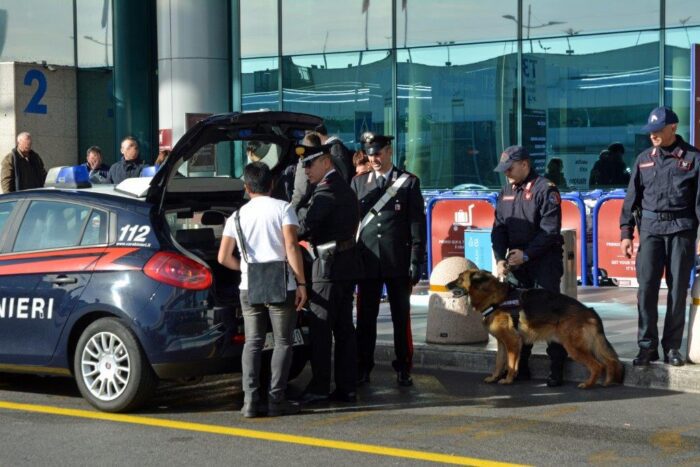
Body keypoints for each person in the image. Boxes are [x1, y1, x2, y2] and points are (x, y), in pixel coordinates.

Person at [217, 162, 307, 418]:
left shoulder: (236, 216)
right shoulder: (284, 208)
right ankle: (276, 399)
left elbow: (223, 257)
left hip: (249, 284)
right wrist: (301, 283)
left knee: (253, 343)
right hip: (282, 283)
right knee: (282, 342)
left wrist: (245, 267)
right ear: (272, 184)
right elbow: (291, 246)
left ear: (247, 188)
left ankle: (249, 402)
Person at [619, 106, 700, 367]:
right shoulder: (643, 158)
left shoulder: (693, 158)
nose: (652, 134)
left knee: (677, 292)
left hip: (681, 231)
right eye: (650, 131)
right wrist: (626, 233)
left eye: (658, 130)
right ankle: (647, 347)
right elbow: (632, 199)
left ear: (673, 128)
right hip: (651, 231)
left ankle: (672, 347)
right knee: (646, 292)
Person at [352, 131, 426, 387]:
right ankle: (362, 366)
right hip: (368, 261)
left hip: (397, 261)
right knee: (365, 318)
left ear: (389, 152)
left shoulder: (408, 182)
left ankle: (403, 365)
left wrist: (416, 260)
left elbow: (417, 224)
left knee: (401, 317)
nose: (374, 159)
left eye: (378, 153)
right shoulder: (359, 183)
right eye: (370, 154)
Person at [491, 145, 569, 387]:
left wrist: (526, 255)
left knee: (549, 316)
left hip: (543, 261)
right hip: (516, 264)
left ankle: (556, 369)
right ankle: (520, 368)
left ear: (525, 164)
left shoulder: (546, 189)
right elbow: (499, 228)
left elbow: (549, 231)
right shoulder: (505, 190)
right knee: (516, 317)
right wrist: (500, 258)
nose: (507, 174)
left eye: (510, 168)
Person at [295, 141, 361, 403]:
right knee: (344, 328)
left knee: (321, 328)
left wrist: (293, 211)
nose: (306, 170)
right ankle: (347, 386)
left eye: (309, 164)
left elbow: (304, 227)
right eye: (303, 165)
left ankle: (320, 387)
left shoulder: (326, 191)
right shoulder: (337, 186)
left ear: (326, 162)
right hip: (344, 264)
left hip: (328, 267)